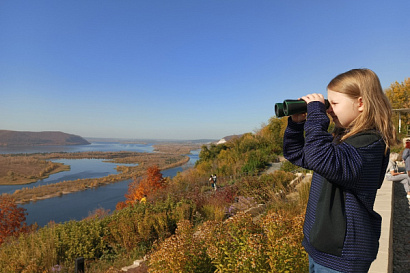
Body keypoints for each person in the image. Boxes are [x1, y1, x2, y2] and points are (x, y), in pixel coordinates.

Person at [283, 68, 397, 272]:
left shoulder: (369, 143)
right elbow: (298, 154)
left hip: (343, 256)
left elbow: (320, 157)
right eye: (328, 104)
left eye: (333, 104)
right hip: (322, 249)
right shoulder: (341, 141)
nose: (328, 110)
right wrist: (296, 125)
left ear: (361, 103)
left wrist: (316, 115)